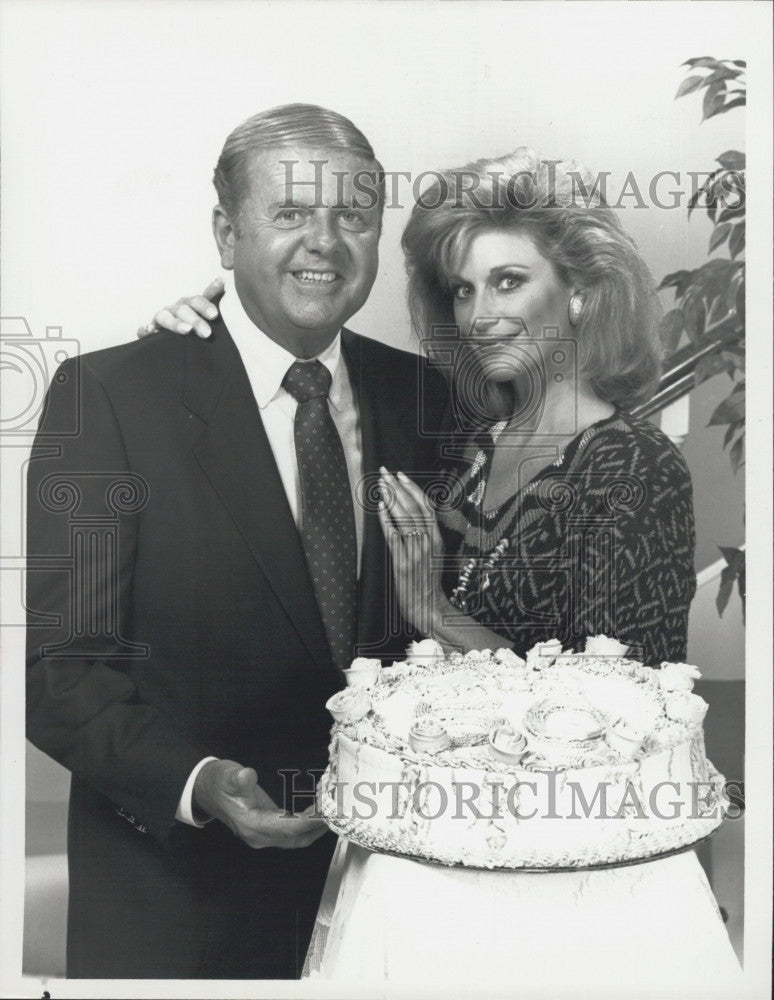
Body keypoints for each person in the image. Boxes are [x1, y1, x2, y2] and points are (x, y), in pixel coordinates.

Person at [155, 148, 741, 989]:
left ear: (579, 292)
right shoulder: (466, 445)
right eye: (463, 290)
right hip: (419, 862)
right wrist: (198, 337)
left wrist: (433, 611)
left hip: (567, 889)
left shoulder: (633, 463)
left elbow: (628, 719)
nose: (479, 313)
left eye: (508, 282)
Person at [25, 103, 446, 979]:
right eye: (289, 214)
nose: (324, 243)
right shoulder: (109, 396)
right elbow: (62, 671)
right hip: (178, 911)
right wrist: (199, 782)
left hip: (393, 904)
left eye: (353, 217)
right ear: (226, 233)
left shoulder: (427, 400)